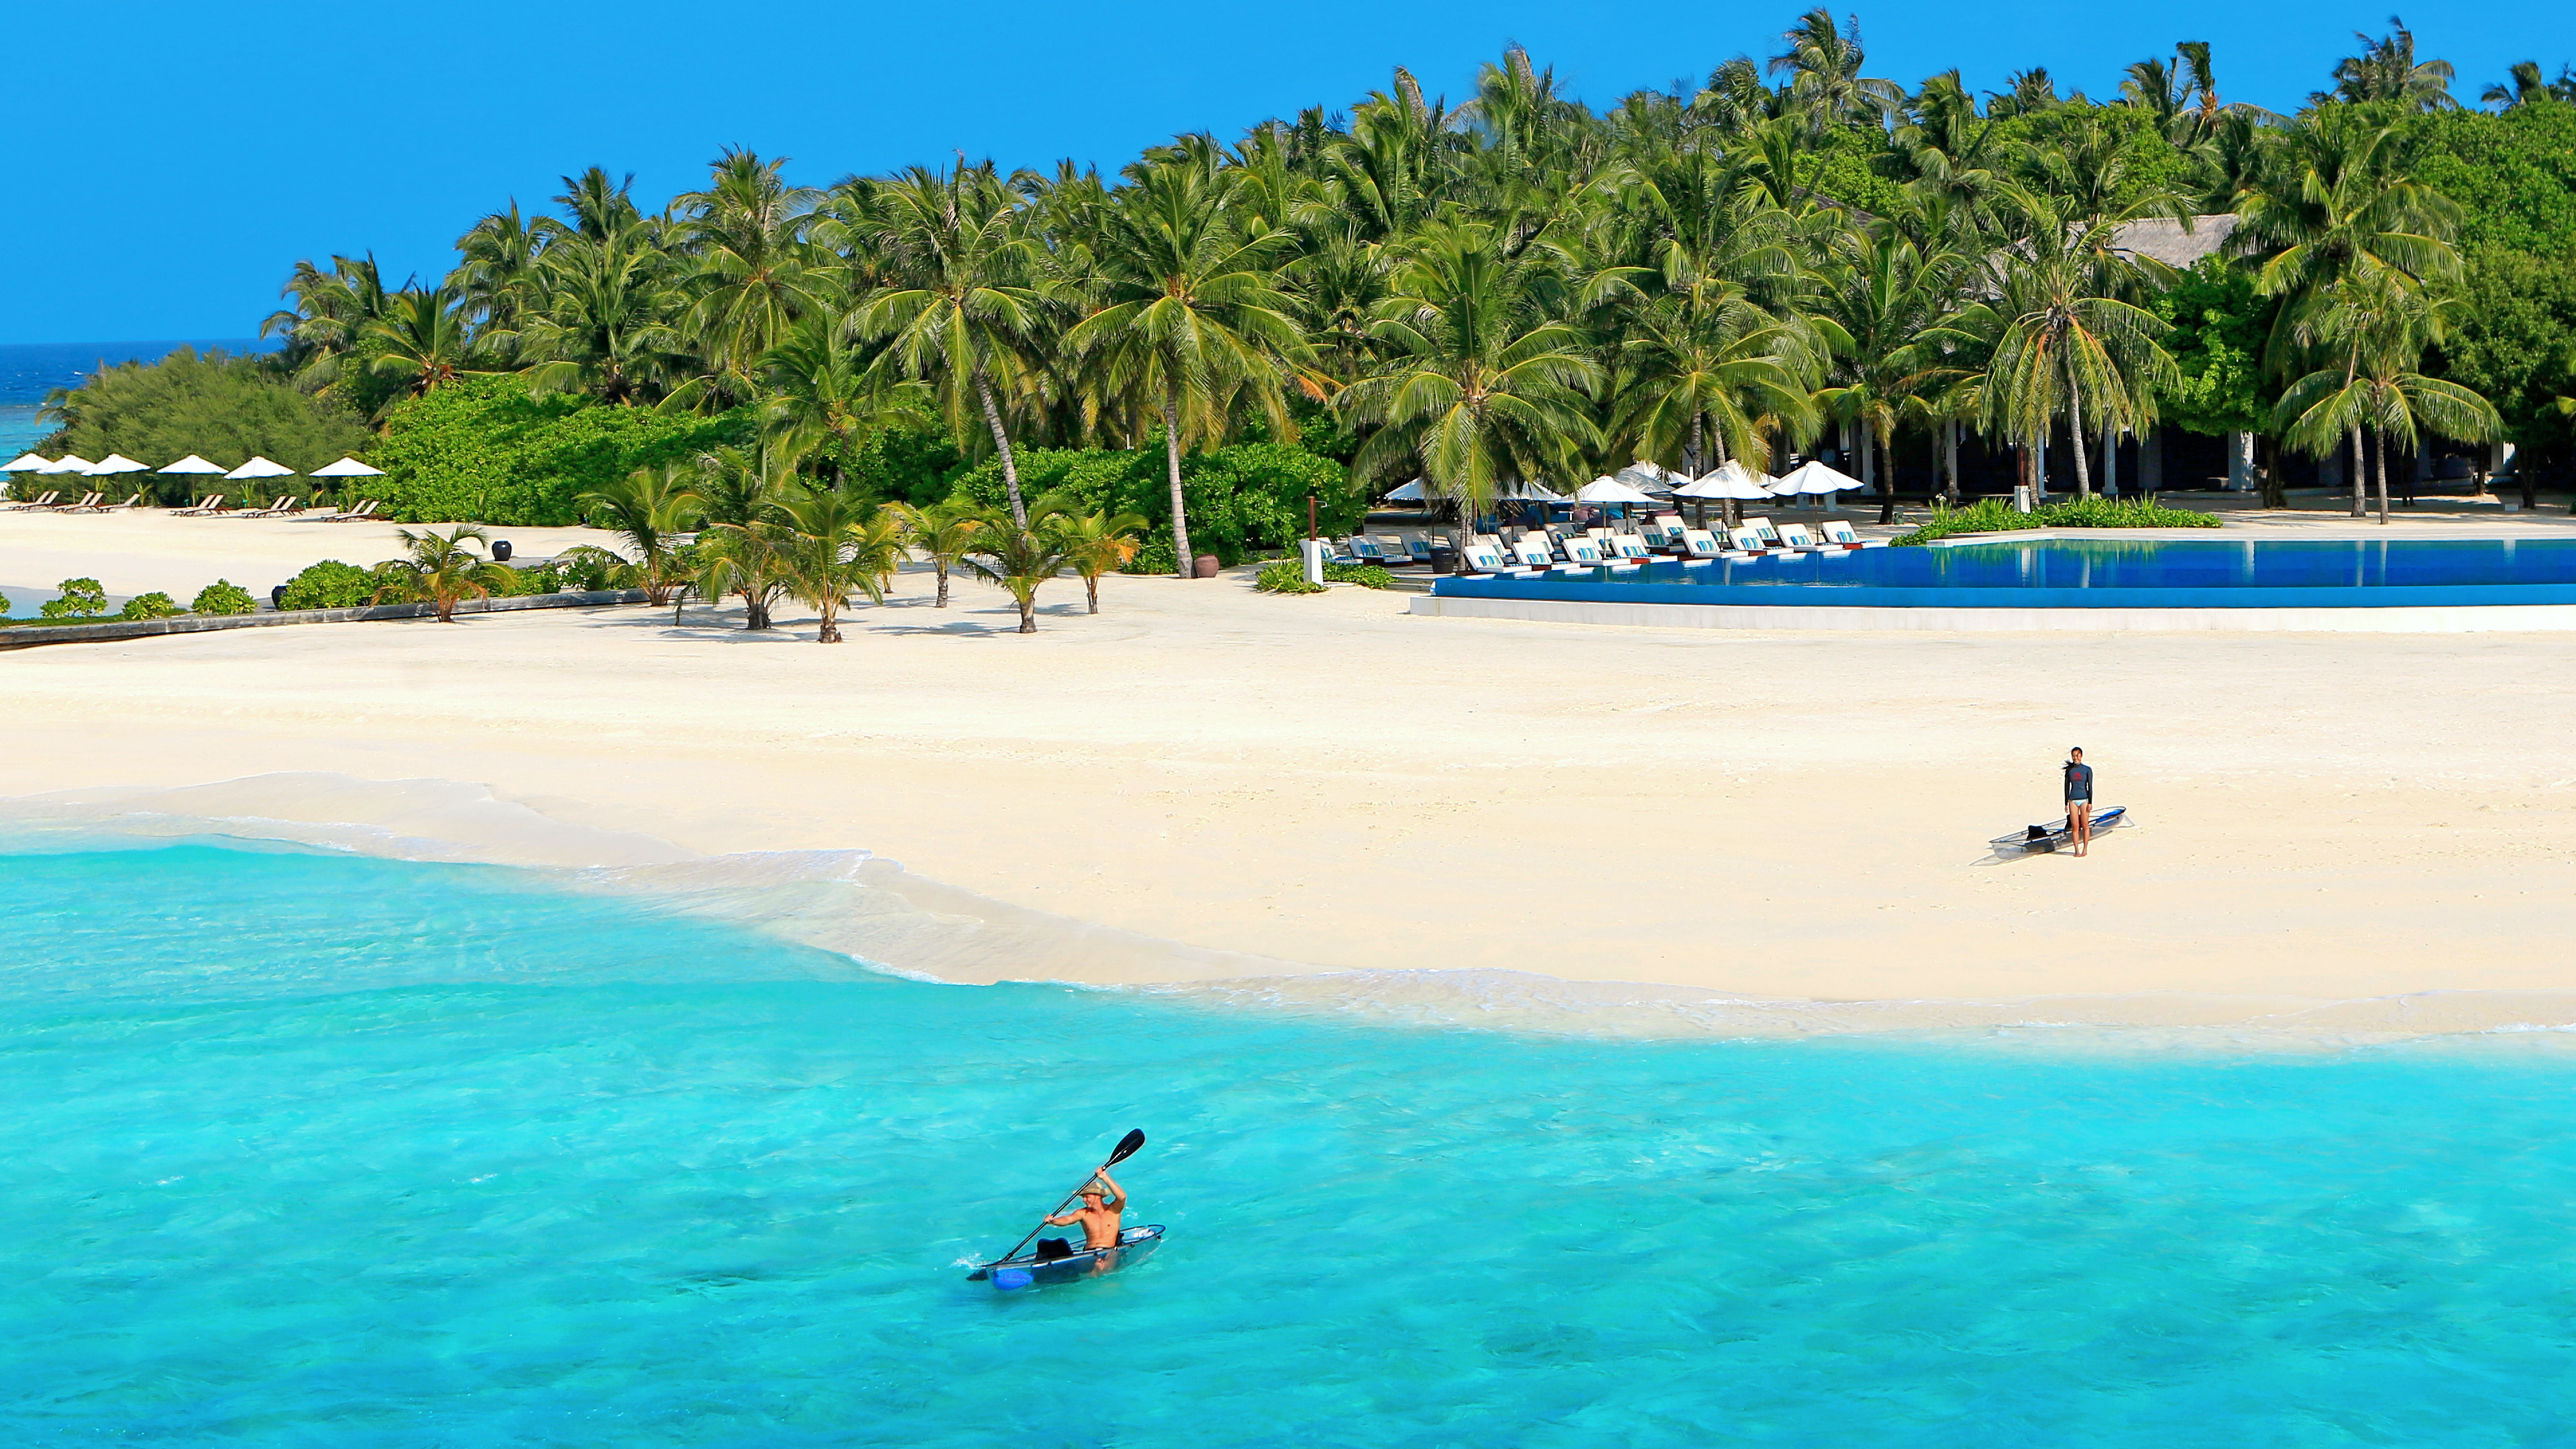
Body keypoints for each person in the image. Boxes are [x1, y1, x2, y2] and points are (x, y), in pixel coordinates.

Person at [1043, 1169, 1128, 1254]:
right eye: (1083, 1197)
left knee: (1100, 1265)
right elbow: (1068, 1220)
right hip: (1089, 1252)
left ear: (1097, 1196)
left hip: (1108, 1250)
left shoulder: (1113, 1210)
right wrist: (1054, 1221)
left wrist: (1105, 1177)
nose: (1084, 1200)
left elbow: (1122, 1197)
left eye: (1087, 1197)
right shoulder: (1083, 1213)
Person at [2062, 747, 2094, 857]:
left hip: (2084, 799)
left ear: (2081, 756)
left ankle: (2085, 849)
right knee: (2075, 827)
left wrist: (2090, 802)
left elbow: (2090, 786)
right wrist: (2066, 803)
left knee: (2085, 825)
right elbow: (2066, 787)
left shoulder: (2087, 770)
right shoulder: (2069, 770)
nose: (2076, 758)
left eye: (2077, 755)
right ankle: (2076, 850)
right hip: (2073, 800)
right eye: (2074, 756)